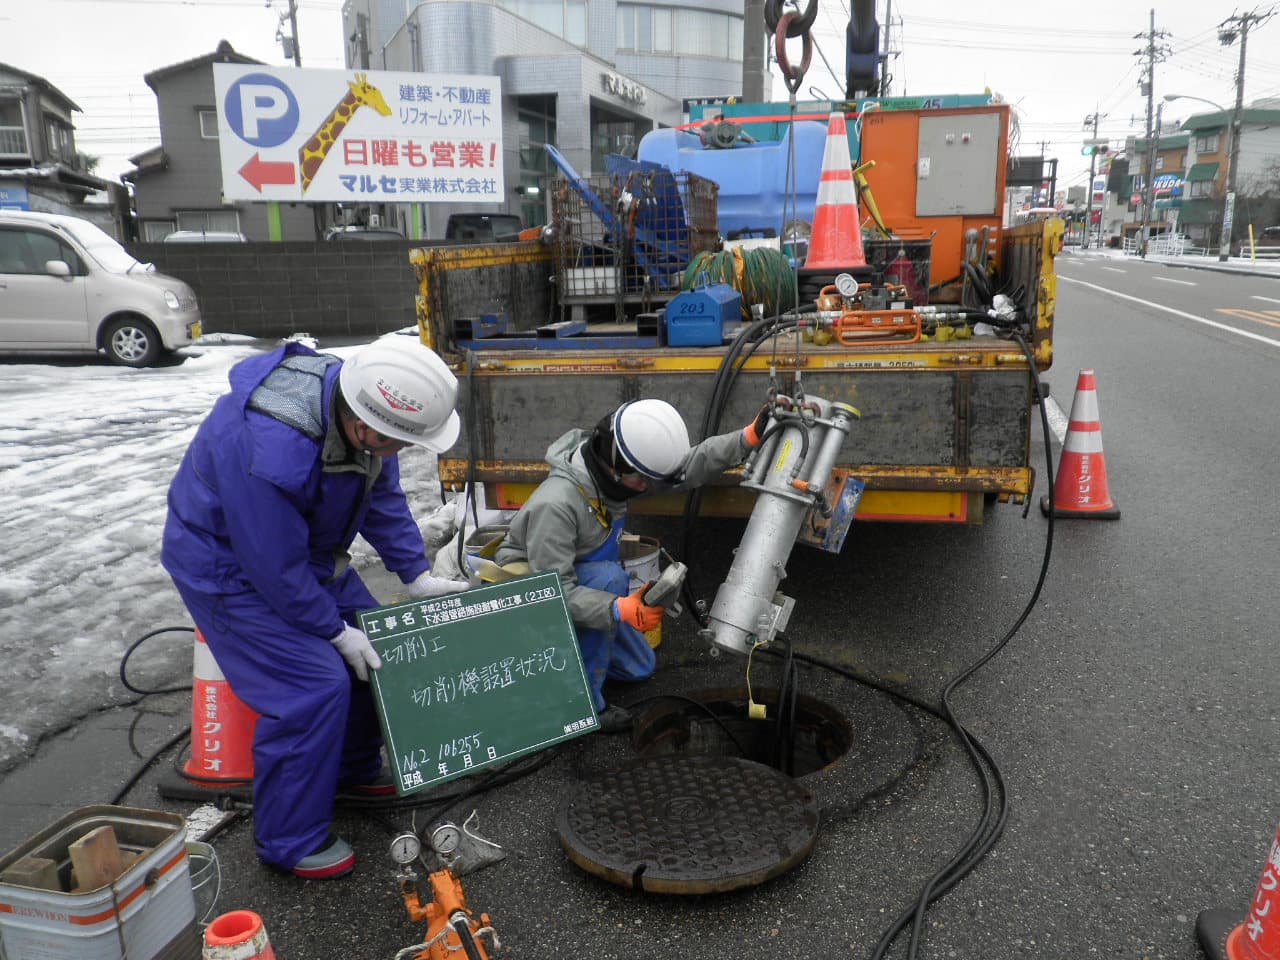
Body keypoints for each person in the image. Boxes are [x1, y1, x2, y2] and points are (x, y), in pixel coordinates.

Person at [161, 336, 468, 880]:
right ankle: (288, 838)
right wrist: (331, 630)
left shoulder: (363, 410)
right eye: (397, 443)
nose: (398, 452)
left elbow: (379, 494)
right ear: (366, 426)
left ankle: (349, 770)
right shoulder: (272, 449)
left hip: (300, 555)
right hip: (226, 565)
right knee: (312, 686)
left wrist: (415, 573)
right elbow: (271, 565)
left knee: (380, 644)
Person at [493, 399, 770, 732]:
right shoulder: (557, 504)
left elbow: (685, 468)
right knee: (608, 579)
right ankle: (580, 707)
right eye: (642, 480)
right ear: (614, 466)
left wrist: (746, 438)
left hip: (582, 584)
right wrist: (616, 609)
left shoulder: (615, 473)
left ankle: (573, 655)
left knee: (640, 666)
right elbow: (550, 592)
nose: (648, 488)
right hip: (528, 598)